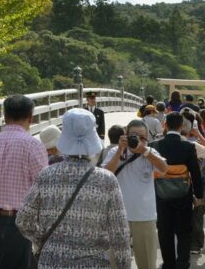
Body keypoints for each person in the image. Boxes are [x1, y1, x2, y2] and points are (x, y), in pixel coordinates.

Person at [17, 109, 132, 269]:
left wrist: (43, 239)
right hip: (94, 263)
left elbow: (23, 220)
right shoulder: (106, 180)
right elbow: (119, 234)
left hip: (51, 262)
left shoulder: (46, 175)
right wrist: (124, 265)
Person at [0, 94, 48, 268]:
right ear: (30, 117)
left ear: (4, 117)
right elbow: (44, 190)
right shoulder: (33, 145)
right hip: (20, 223)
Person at [103, 119, 167, 269]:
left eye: (142, 137)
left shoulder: (151, 152)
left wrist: (145, 151)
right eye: (133, 136)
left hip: (144, 216)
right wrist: (119, 150)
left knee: (147, 263)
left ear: (147, 139)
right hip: (118, 216)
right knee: (114, 263)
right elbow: (105, 175)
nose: (137, 140)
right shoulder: (115, 152)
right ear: (125, 135)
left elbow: (164, 168)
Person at [152, 111, 205, 269]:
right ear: (182, 126)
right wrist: (198, 195)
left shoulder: (155, 145)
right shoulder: (188, 146)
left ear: (165, 125)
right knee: (184, 231)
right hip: (183, 194)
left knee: (165, 230)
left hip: (161, 194)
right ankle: (182, 263)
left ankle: (168, 264)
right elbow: (195, 173)